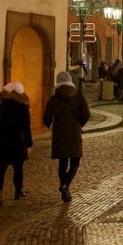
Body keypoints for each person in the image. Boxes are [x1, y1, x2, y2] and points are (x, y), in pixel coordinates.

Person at [43, 71, 91, 203]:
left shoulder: (54, 98)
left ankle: (65, 190)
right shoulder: (78, 95)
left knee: (62, 163)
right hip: (74, 132)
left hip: (59, 133)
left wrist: (53, 126)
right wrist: (78, 124)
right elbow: (86, 114)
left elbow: (46, 117)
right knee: (75, 162)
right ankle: (65, 186)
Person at [0, 80, 33, 205]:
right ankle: (18, 191)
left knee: (0, 169)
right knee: (18, 168)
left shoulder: (1, 106)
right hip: (17, 141)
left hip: (1, 141)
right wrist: (29, 143)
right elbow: (26, 127)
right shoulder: (22, 107)